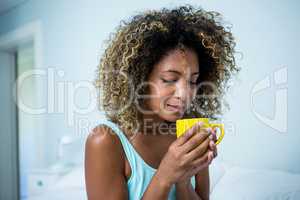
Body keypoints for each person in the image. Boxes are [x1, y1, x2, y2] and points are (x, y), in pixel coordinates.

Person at [85, 4, 239, 200]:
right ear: (138, 78)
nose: (185, 94)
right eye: (169, 79)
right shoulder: (106, 141)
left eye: (193, 81)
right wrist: (165, 176)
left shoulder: (189, 134)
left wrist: (183, 181)